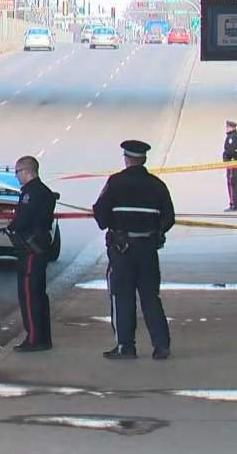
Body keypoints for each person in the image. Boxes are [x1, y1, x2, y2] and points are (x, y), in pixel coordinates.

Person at [93, 140, 175, 361]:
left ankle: (125, 346)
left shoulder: (115, 183)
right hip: (148, 250)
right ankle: (161, 345)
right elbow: (169, 218)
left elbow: (100, 214)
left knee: (122, 297)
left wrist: (115, 223)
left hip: (122, 250)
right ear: (144, 159)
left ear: (127, 159)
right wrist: (154, 230)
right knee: (151, 297)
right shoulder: (157, 185)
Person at [5, 155, 59, 352]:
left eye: (18, 172)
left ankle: (34, 338)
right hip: (40, 247)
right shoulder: (44, 191)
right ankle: (44, 337)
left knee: (29, 295)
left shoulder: (30, 193)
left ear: (27, 171)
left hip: (30, 249)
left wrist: (11, 227)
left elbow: (23, 219)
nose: (17, 176)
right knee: (39, 294)